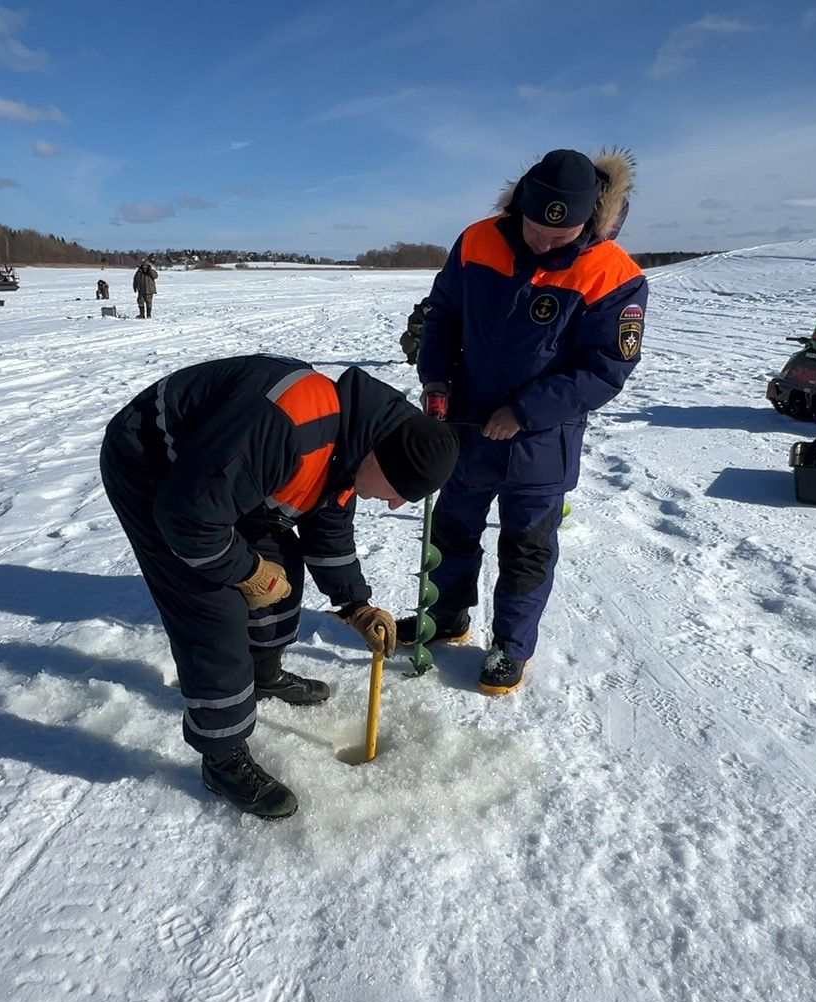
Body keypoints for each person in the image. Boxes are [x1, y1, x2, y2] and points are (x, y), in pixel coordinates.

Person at [100, 354, 459, 818]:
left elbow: (327, 528)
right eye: (398, 490)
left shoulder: (354, 443)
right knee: (212, 604)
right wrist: (245, 572)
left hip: (214, 480)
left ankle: (263, 674)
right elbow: (187, 518)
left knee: (281, 562)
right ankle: (222, 758)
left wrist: (355, 604)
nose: (393, 505)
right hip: (153, 467)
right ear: (380, 459)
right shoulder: (295, 423)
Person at [407, 148, 647, 695]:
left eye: (559, 237)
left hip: (540, 444)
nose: (541, 243)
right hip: (465, 429)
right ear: (519, 207)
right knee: (451, 531)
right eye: (534, 229)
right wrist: (436, 377)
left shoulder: (616, 276)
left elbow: (605, 369)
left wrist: (524, 411)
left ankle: (510, 648)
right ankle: (446, 618)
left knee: (526, 549)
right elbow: (443, 312)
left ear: (590, 220)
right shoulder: (478, 239)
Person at [397, 295, 431, 364]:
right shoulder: (415, 315)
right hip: (419, 337)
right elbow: (412, 327)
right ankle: (411, 360)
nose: (428, 309)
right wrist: (425, 328)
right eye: (426, 307)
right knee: (409, 339)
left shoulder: (439, 315)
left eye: (429, 308)